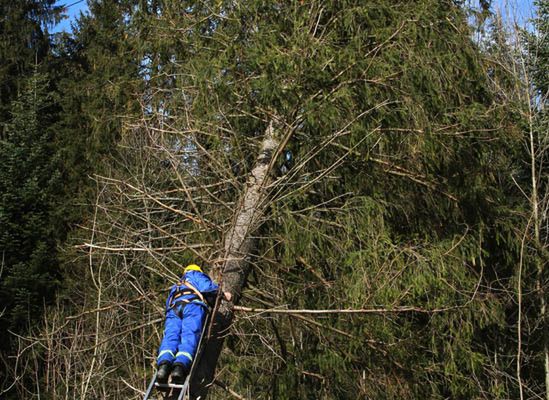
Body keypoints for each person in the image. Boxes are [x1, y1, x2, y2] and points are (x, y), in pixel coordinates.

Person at [156, 264, 219, 384]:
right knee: (189, 335)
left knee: (170, 336)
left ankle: (164, 367)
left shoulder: (177, 285)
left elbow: (168, 303)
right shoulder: (196, 275)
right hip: (192, 307)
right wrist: (221, 292)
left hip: (173, 309)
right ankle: (179, 368)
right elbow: (208, 288)